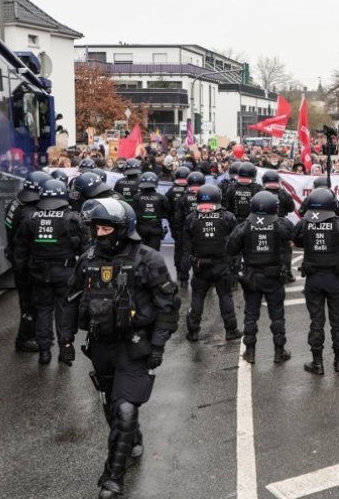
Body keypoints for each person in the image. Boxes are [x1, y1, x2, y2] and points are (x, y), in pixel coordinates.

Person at [59, 198, 180, 498]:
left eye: (105, 228)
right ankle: (132, 437)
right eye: (96, 228)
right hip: (101, 347)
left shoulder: (148, 259)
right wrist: (65, 340)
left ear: (122, 229)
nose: (98, 234)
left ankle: (112, 478)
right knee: (113, 409)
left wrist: (158, 345)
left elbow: (168, 305)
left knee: (125, 409)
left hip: (134, 347)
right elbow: (70, 300)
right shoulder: (87, 260)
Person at [12, 180, 87, 364]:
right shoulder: (72, 218)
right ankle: (64, 350)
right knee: (64, 311)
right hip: (65, 274)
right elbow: (85, 250)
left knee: (43, 310)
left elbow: (20, 249)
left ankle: (44, 352)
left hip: (39, 274)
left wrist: (22, 273)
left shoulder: (31, 217)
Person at [227, 191, 294, 365]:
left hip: (251, 277)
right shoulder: (281, 225)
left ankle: (250, 352)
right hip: (274, 277)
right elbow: (294, 236)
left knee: (250, 314)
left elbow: (231, 248)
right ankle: (279, 351)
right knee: (277, 315)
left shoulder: (244, 227)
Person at [293, 188, 339, 374]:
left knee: (316, 322)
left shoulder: (303, 224)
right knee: (337, 322)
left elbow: (297, 241)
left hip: (313, 280)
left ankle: (317, 363)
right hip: (335, 279)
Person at [180, 184, 242, 342]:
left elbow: (186, 245)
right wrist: (233, 261)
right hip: (221, 265)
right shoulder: (227, 217)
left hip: (200, 266)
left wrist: (192, 260)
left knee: (197, 297)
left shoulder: (191, 218)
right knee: (225, 296)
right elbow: (236, 240)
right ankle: (231, 330)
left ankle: (193, 332)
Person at [5, 171, 52, 352]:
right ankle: (24, 339)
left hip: (17, 258)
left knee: (28, 301)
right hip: (25, 263)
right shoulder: (28, 212)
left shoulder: (15, 202)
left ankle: (31, 335)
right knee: (30, 302)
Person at [173, 171, 206, 286]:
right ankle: (203, 278)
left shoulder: (183, 198)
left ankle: (183, 279)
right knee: (202, 253)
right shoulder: (207, 197)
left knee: (186, 253)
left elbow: (178, 217)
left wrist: (178, 232)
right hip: (202, 229)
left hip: (186, 230)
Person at [166, 166, 192, 283]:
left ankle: (181, 273)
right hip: (192, 226)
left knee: (179, 249)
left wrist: (172, 222)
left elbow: (167, 208)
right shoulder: (192, 192)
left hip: (176, 226)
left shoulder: (171, 191)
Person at [132, 172, 169, 251]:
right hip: (156, 227)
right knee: (153, 252)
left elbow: (134, 211)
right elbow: (167, 212)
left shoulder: (136, 197)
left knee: (141, 251)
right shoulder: (162, 198)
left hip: (141, 227)